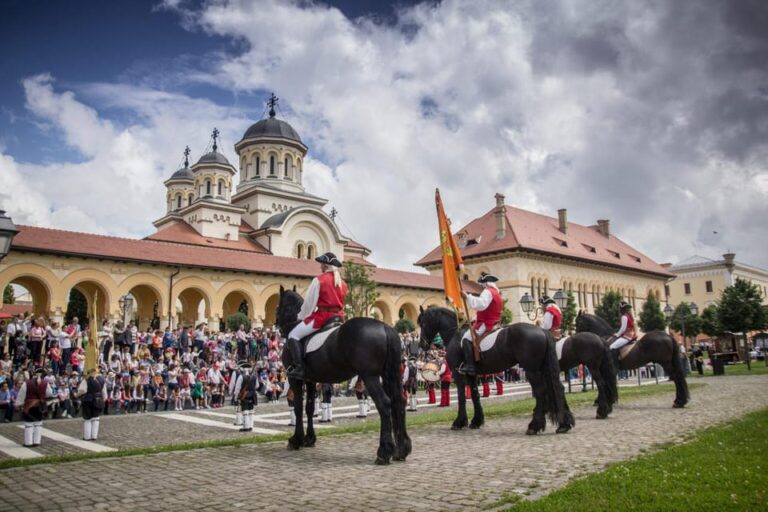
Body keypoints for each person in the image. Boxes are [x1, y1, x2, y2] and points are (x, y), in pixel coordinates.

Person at [286, 252, 347, 380]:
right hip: (339, 317)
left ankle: (299, 368)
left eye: (321, 264)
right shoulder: (343, 283)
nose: (320, 266)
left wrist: (301, 317)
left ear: (325, 265)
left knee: (293, 335)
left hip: (322, 317)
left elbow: (309, 304)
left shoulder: (319, 280)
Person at [459, 272, 503, 375]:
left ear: (486, 283)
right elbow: (487, 310)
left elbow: (481, 304)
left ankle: (470, 365)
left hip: (487, 323)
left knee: (466, 338)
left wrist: (467, 296)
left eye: (482, 283)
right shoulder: (497, 293)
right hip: (495, 322)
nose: (481, 285)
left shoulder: (487, 291)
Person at [17, 367, 53, 447]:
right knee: (38, 423)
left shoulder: (26, 383)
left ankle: (28, 442)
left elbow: (21, 394)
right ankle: (37, 441)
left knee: (28, 424)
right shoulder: (45, 383)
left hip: (29, 405)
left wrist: (19, 404)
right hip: (39, 405)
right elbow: (49, 394)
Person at [78, 369, 107, 440]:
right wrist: (103, 399)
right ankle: (94, 436)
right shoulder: (102, 380)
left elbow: (82, 390)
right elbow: (104, 393)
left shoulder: (86, 379)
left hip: (88, 400)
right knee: (96, 419)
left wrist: (77, 395)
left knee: (87, 419)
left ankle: (87, 436)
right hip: (98, 400)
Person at [609, 302, 637, 369]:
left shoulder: (624, 316)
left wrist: (617, 334)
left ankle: (616, 364)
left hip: (628, 335)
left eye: (620, 309)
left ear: (622, 309)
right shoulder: (628, 315)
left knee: (611, 347)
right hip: (632, 334)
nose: (619, 310)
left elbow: (623, 328)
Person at [233, 363, 257, 432]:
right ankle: (251, 425)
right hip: (252, 394)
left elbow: (237, 388)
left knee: (245, 410)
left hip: (244, 395)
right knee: (251, 411)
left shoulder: (241, 377)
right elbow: (257, 385)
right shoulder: (254, 376)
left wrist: (236, 396)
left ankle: (246, 426)